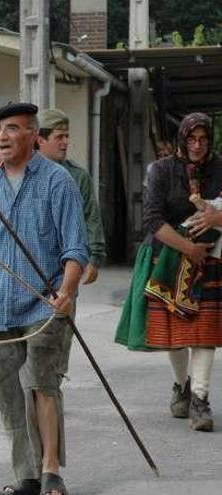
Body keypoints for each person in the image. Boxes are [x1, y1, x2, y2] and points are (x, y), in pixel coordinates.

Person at [0, 102, 88, 495]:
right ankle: (25, 476)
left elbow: (76, 249)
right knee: (8, 393)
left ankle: (50, 473)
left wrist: (65, 293)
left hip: (45, 304)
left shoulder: (57, 182)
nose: (2, 138)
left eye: (12, 129)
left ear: (32, 134)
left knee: (41, 384)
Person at [116, 113, 222, 432]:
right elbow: (151, 219)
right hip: (167, 257)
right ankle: (182, 386)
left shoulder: (220, 167)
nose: (198, 145)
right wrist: (187, 247)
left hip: (210, 260)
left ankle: (200, 401)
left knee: (205, 334)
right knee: (175, 337)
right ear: (182, 139)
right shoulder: (161, 170)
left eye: (203, 139)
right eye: (191, 139)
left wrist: (218, 219)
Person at [36, 109, 106, 377]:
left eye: (67, 136)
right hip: (29, 265)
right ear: (39, 140)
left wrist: (95, 256)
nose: (65, 142)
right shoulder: (22, 172)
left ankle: (53, 380)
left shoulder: (78, 177)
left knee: (61, 327)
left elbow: (92, 217)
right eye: (58, 137)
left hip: (66, 266)